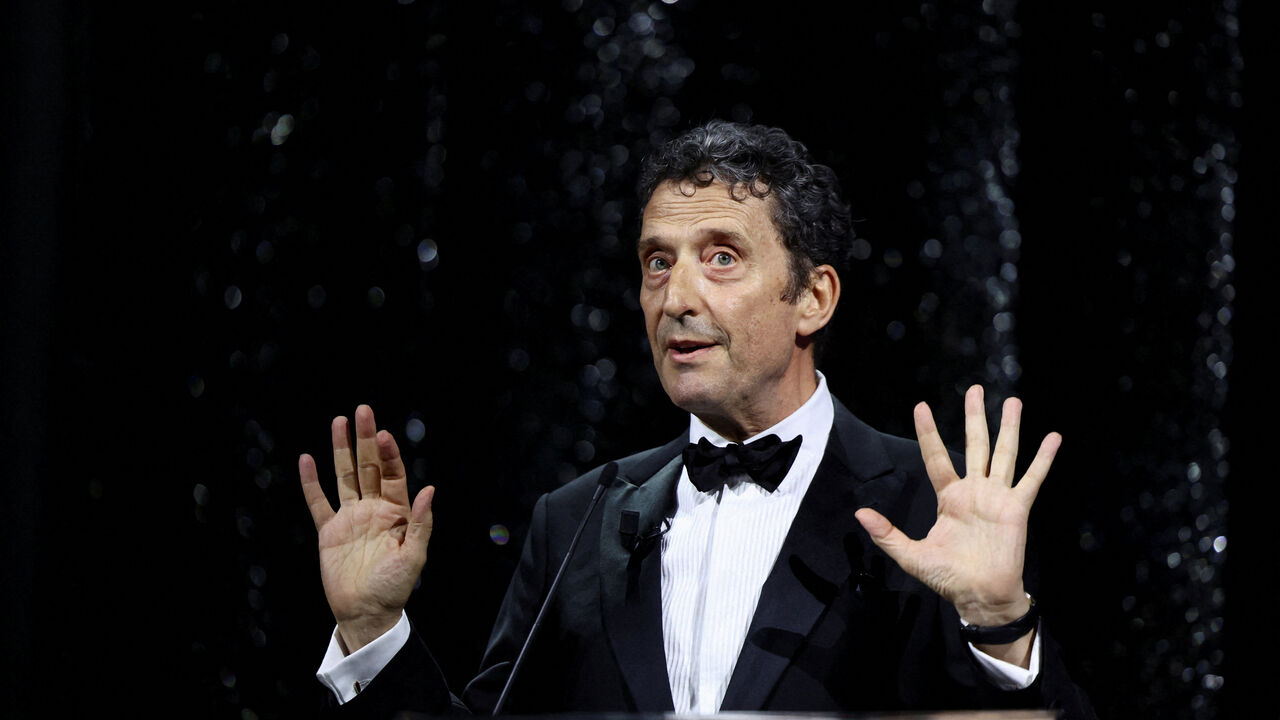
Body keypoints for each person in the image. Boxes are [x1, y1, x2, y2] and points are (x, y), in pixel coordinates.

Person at [298, 121, 1095, 717]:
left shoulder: (934, 511)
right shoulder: (577, 522)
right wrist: (374, 631)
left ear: (812, 298)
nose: (676, 298)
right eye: (657, 262)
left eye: (722, 256)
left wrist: (1000, 626)